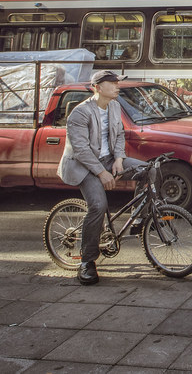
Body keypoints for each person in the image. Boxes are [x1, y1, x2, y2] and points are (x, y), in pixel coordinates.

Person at [58, 70, 145, 285]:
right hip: (84, 166)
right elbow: (81, 150)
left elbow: (119, 134)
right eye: (112, 83)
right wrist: (102, 172)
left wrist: (118, 158)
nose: (117, 86)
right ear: (98, 87)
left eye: (117, 83)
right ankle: (87, 262)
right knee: (97, 205)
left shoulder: (115, 106)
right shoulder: (80, 113)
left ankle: (140, 218)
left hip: (108, 160)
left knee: (148, 170)